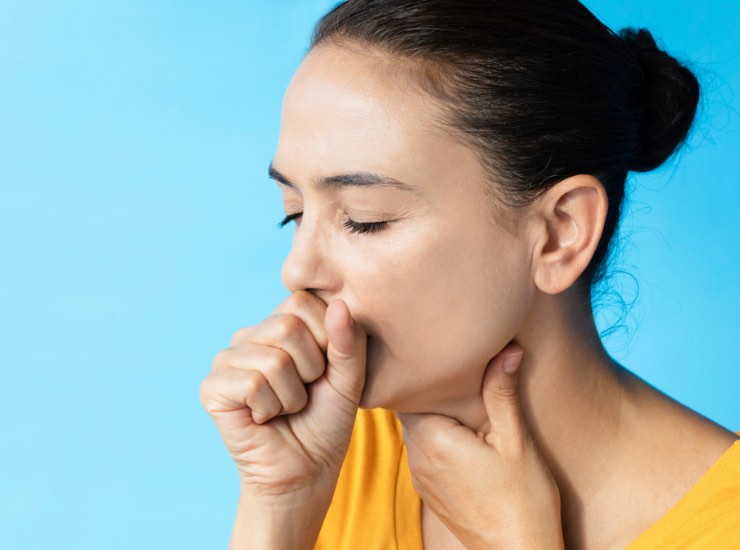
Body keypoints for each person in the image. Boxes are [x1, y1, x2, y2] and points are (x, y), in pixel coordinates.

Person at [199, 0, 740, 548]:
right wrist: (280, 504)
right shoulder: (331, 444)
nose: (297, 271)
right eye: (293, 212)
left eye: (365, 220)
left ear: (560, 232)